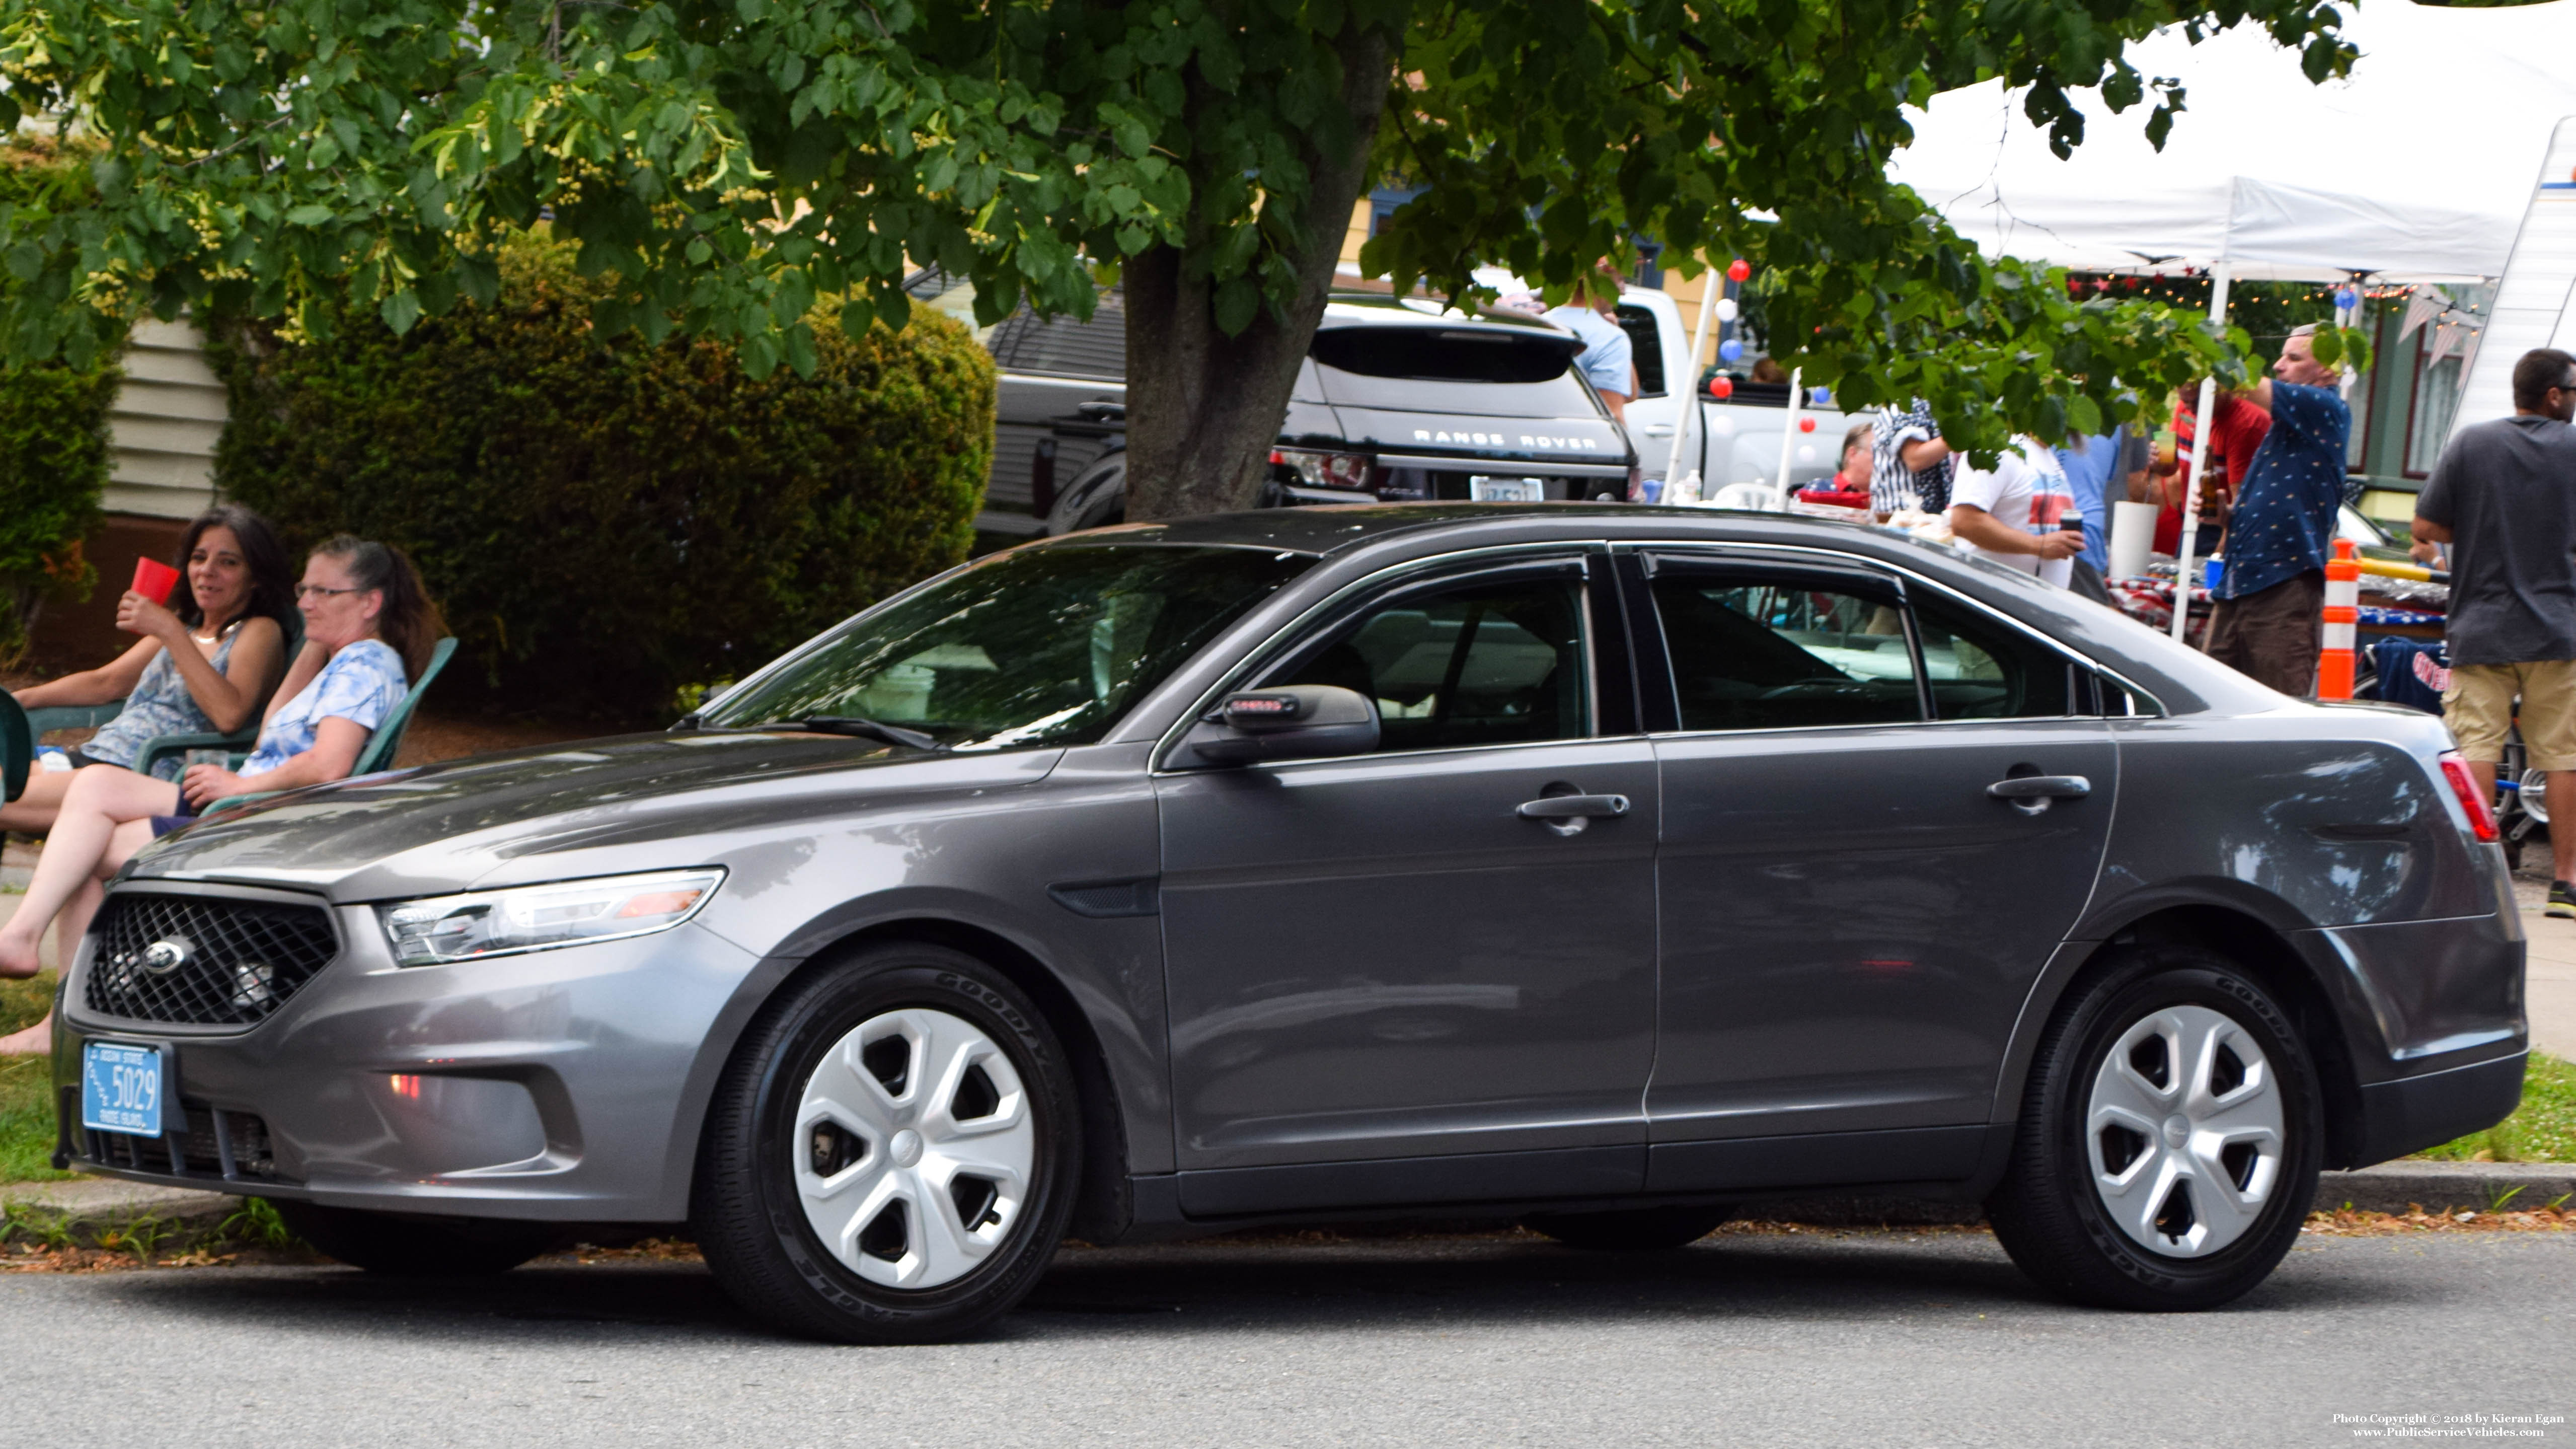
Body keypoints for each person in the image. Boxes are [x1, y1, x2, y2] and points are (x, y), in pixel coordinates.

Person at [0, 538, 438, 1053]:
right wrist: (319, 642)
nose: (305, 603)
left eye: (324, 591)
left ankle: (58, 1007)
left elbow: (329, 763)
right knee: (95, 790)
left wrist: (240, 785)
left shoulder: (365, 664)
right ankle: (34, 960)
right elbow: (272, 728)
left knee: (88, 844)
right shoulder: (344, 660)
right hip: (247, 805)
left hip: (259, 818)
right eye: (304, 589)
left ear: (371, 602)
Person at [3, 506, 295, 834]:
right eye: (199, 558)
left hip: (142, 776)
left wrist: (168, 630)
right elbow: (107, 682)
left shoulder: (258, 631)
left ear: (255, 577)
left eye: (228, 562)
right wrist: (21, 700)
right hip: (97, 757)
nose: (207, 571)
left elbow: (230, 715)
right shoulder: (186, 630)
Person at [2411, 347, 2576, 916]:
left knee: (2477, 745)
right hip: (2560, 629)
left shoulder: (2472, 443)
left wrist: (2478, 524)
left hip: (2480, 626)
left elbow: (2426, 525)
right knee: (2562, 755)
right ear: (2554, 395)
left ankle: (2476, 880)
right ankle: (2566, 885)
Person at [2200, 326, 2353, 695]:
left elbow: (2245, 383)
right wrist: (2228, 515)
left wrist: (2202, 344)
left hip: (2283, 584)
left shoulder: (2326, 407)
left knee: (2277, 715)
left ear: (2328, 371)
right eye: (2282, 355)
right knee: (2211, 709)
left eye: (2294, 358)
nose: (2279, 365)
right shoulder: (2286, 427)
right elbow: (2278, 502)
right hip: (2240, 582)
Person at [1948, 437, 2085, 587]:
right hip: (1995, 600)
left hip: (2038, 604)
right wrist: (2038, 545)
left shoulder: (2047, 457)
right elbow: (1964, 521)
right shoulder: (1995, 447)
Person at [1543, 270, 1635, 424]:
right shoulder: (1610, 338)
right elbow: (1612, 415)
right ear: (1597, 281)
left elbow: (1631, 393)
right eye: (1620, 280)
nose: (1623, 291)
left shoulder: (1541, 323)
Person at [1870, 399, 1955, 521]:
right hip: (1899, 519)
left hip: (1931, 518)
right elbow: (1915, 459)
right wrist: (1962, 434)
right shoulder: (1903, 405)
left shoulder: (1939, 404)